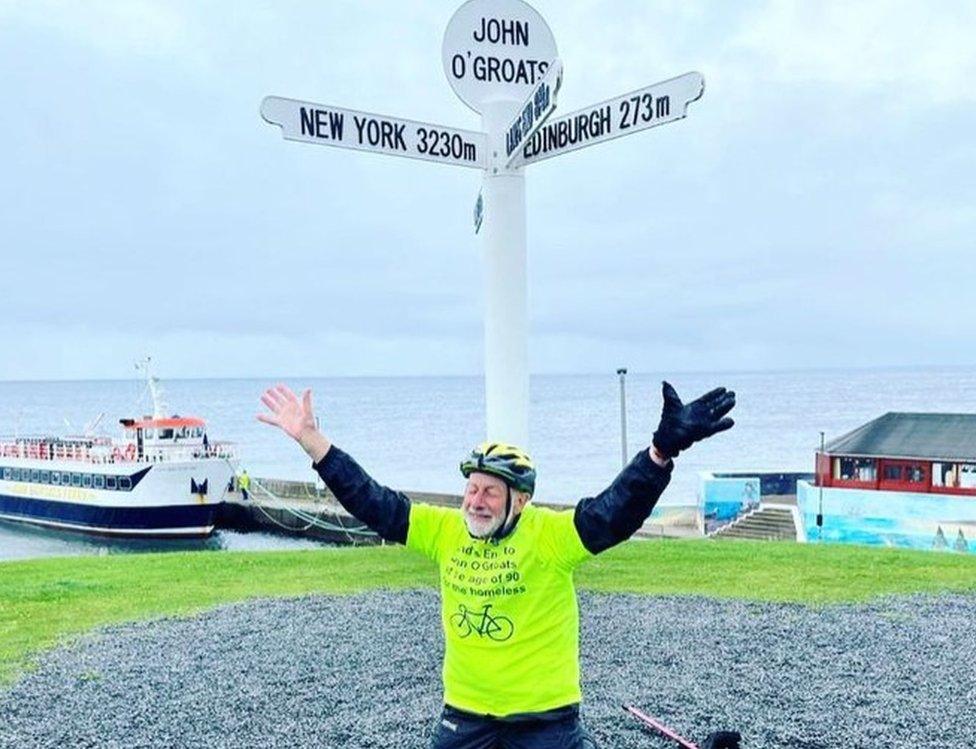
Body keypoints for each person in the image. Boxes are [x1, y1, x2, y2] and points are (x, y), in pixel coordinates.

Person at [257, 381, 737, 749]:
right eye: (472, 488)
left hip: (546, 718)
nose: (476, 501)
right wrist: (312, 440)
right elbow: (371, 500)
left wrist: (660, 453)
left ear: (520, 499)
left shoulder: (549, 536)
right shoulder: (443, 531)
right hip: (465, 714)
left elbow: (616, 510)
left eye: (491, 491)